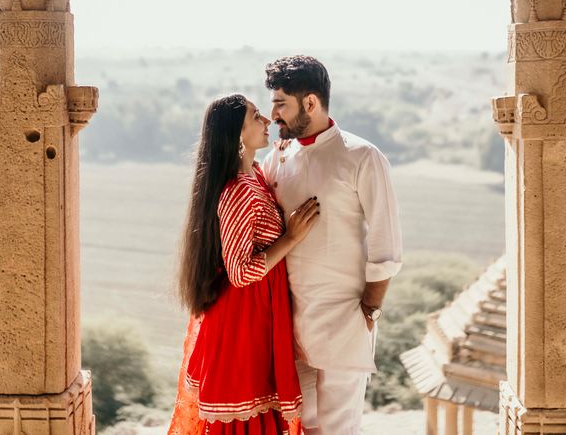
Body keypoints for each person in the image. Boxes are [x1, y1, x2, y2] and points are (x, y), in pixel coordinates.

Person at [261, 55, 403, 435]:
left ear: (310, 103)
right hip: (289, 321)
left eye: (280, 104)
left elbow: (387, 242)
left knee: (338, 429)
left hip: (344, 320)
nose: (273, 114)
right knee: (302, 427)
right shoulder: (278, 159)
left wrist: (369, 310)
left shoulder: (362, 156)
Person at [169, 94, 321, 435]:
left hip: (255, 314)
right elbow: (240, 272)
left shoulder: (253, 175)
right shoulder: (238, 190)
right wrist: (292, 238)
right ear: (236, 134)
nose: (267, 120)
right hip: (243, 320)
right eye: (256, 117)